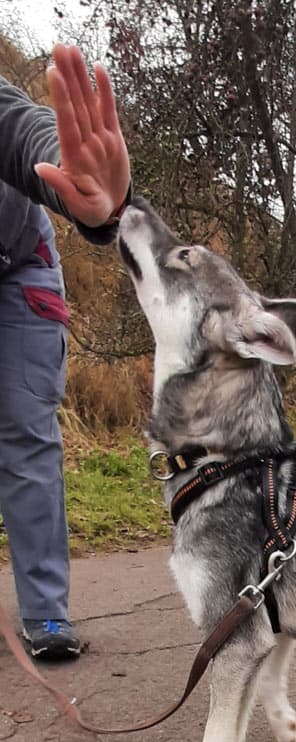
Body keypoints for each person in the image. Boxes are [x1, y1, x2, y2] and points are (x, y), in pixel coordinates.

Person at [0, 44, 130, 659]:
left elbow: (24, 131)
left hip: (19, 266)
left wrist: (89, 188)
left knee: (26, 433)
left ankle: (46, 615)